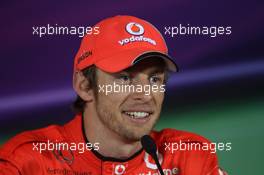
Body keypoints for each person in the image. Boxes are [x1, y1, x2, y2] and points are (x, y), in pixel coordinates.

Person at [0, 15, 227, 175]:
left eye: (154, 79)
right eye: (124, 78)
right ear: (85, 86)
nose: (145, 95)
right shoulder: (28, 161)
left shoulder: (188, 156)